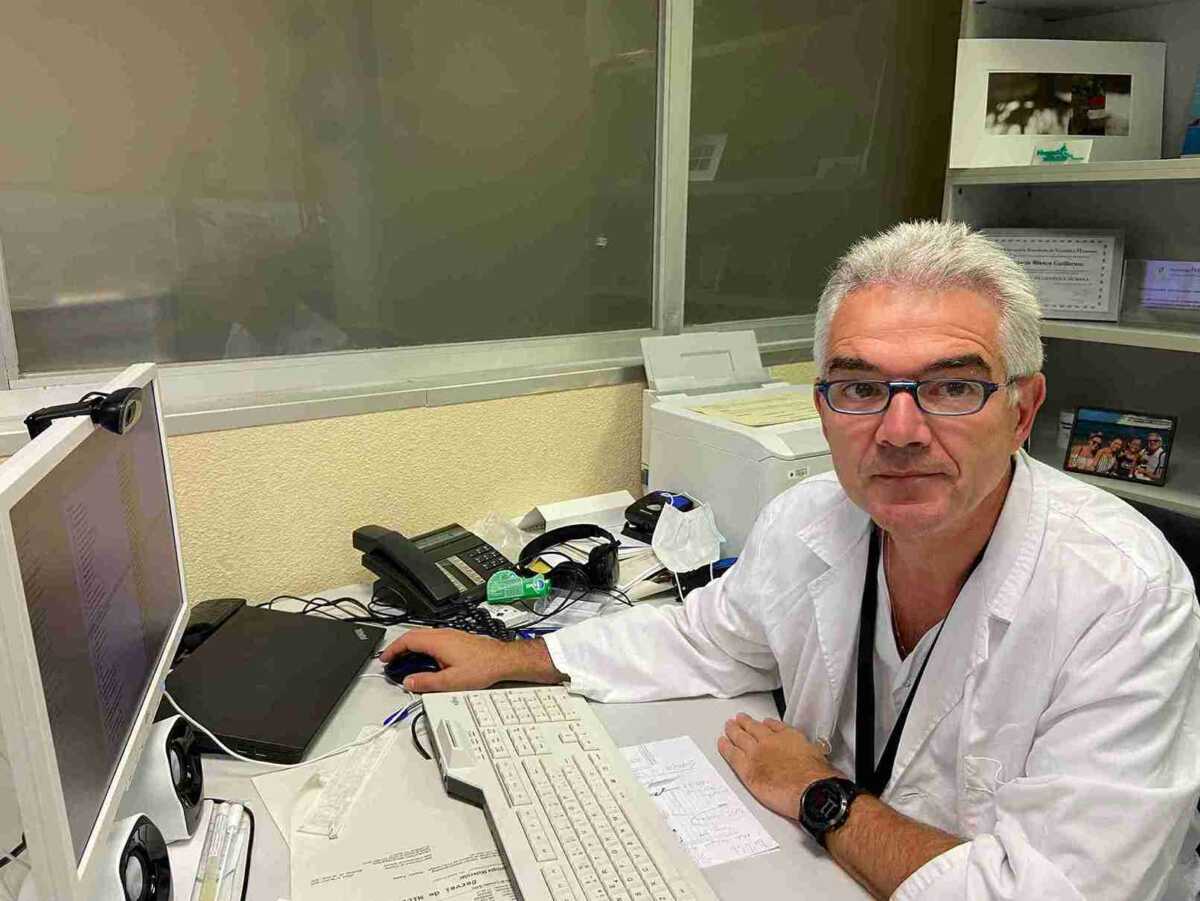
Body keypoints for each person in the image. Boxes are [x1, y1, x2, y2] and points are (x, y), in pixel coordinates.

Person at [382, 222, 1200, 900]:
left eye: (952, 388)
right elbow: (701, 639)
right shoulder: (812, 519)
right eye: (860, 387)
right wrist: (515, 656)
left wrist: (820, 794)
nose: (902, 430)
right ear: (824, 407)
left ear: (1022, 411)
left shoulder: (1122, 593)